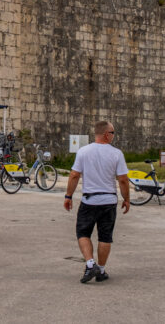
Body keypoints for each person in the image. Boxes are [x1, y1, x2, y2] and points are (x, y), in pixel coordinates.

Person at [63, 120, 130, 283]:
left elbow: (74, 175)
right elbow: (123, 180)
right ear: (106, 134)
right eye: (113, 133)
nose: (114, 136)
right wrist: (126, 199)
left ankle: (90, 263)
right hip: (108, 200)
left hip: (89, 200)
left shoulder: (83, 152)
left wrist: (68, 196)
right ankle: (100, 269)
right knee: (105, 236)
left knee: (83, 232)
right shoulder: (116, 154)